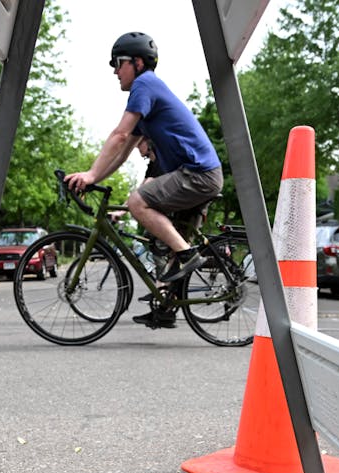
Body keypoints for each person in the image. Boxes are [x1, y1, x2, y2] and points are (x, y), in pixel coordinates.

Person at [65, 32, 223, 321]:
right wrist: (94, 177)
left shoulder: (144, 84)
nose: (114, 70)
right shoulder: (147, 102)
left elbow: (119, 133)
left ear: (137, 63)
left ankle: (189, 255)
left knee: (137, 203)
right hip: (198, 174)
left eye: (118, 62)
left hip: (199, 174)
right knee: (168, 251)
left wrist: (89, 174)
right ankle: (166, 311)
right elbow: (122, 152)